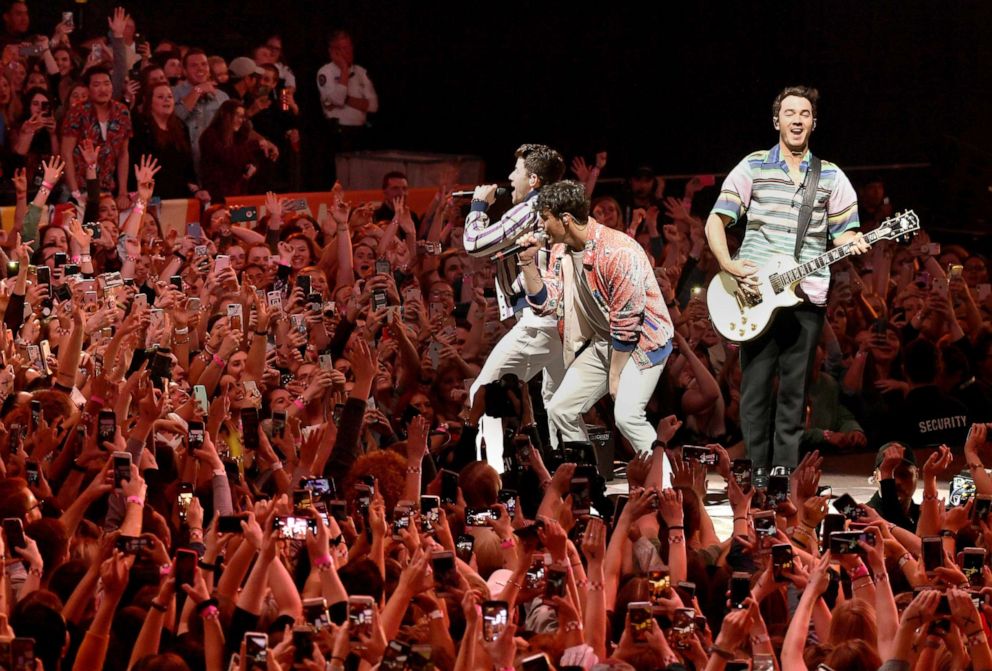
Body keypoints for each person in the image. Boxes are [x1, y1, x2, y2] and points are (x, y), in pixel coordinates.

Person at [704, 85, 869, 470]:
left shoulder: (830, 175)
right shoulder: (754, 165)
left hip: (806, 296)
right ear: (777, 120)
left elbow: (844, 232)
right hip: (755, 292)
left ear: (814, 123)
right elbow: (716, 220)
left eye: (805, 114)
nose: (798, 119)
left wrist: (855, 241)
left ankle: (784, 480)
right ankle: (756, 478)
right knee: (755, 391)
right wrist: (728, 264)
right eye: (790, 113)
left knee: (794, 394)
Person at [517, 180, 675, 481]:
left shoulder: (618, 252)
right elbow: (548, 303)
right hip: (607, 340)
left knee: (627, 416)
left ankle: (665, 486)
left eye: (545, 218)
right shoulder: (560, 250)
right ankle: (588, 478)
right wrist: (527, 265)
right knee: (561, 409)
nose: (541, 226)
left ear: (565, 219)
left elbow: (628, 325)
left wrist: (615, 377)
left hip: (645, 341)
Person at [463, 144, 566, 470]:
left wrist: (478, 206)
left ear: (533, 179)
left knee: (483, 393)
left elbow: (475, 245)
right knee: (556, 404)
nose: (510, 177)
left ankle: (492, 475)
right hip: (561, 319)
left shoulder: (530, 208)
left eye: (517, 171)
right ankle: (564, 476)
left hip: (540, 321)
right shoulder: (556, 207)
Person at [60, 67, 132, 208]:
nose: (103, 89)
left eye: (107, 84)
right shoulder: (77, 113)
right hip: (78, 187)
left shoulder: (122, 111)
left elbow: (124, 154)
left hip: (107, 188)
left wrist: (123, 192)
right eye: (97, 85)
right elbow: (66, 153)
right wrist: (75, 193)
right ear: (88, 89)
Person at [316, 30, 377, 183]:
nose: (349, 52)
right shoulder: (326, 72)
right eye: (343, 48)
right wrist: (343, 69)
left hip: (360, 132)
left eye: (350, 47)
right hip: (339, 133)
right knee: (340, 178)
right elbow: (337, 99)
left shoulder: (361, 72)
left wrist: (345, 100)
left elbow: (373, 106)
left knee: (360, 176)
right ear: (333, 51)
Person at [172, 47, 229, 175]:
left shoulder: (221, 96)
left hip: (214, 164)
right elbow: (175, 120)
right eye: (194, 65)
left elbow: (232, 127)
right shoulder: (173, 93)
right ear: (184, 71)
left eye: (204, 64)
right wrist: (197, 91)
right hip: (185, 163)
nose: (200, 68)